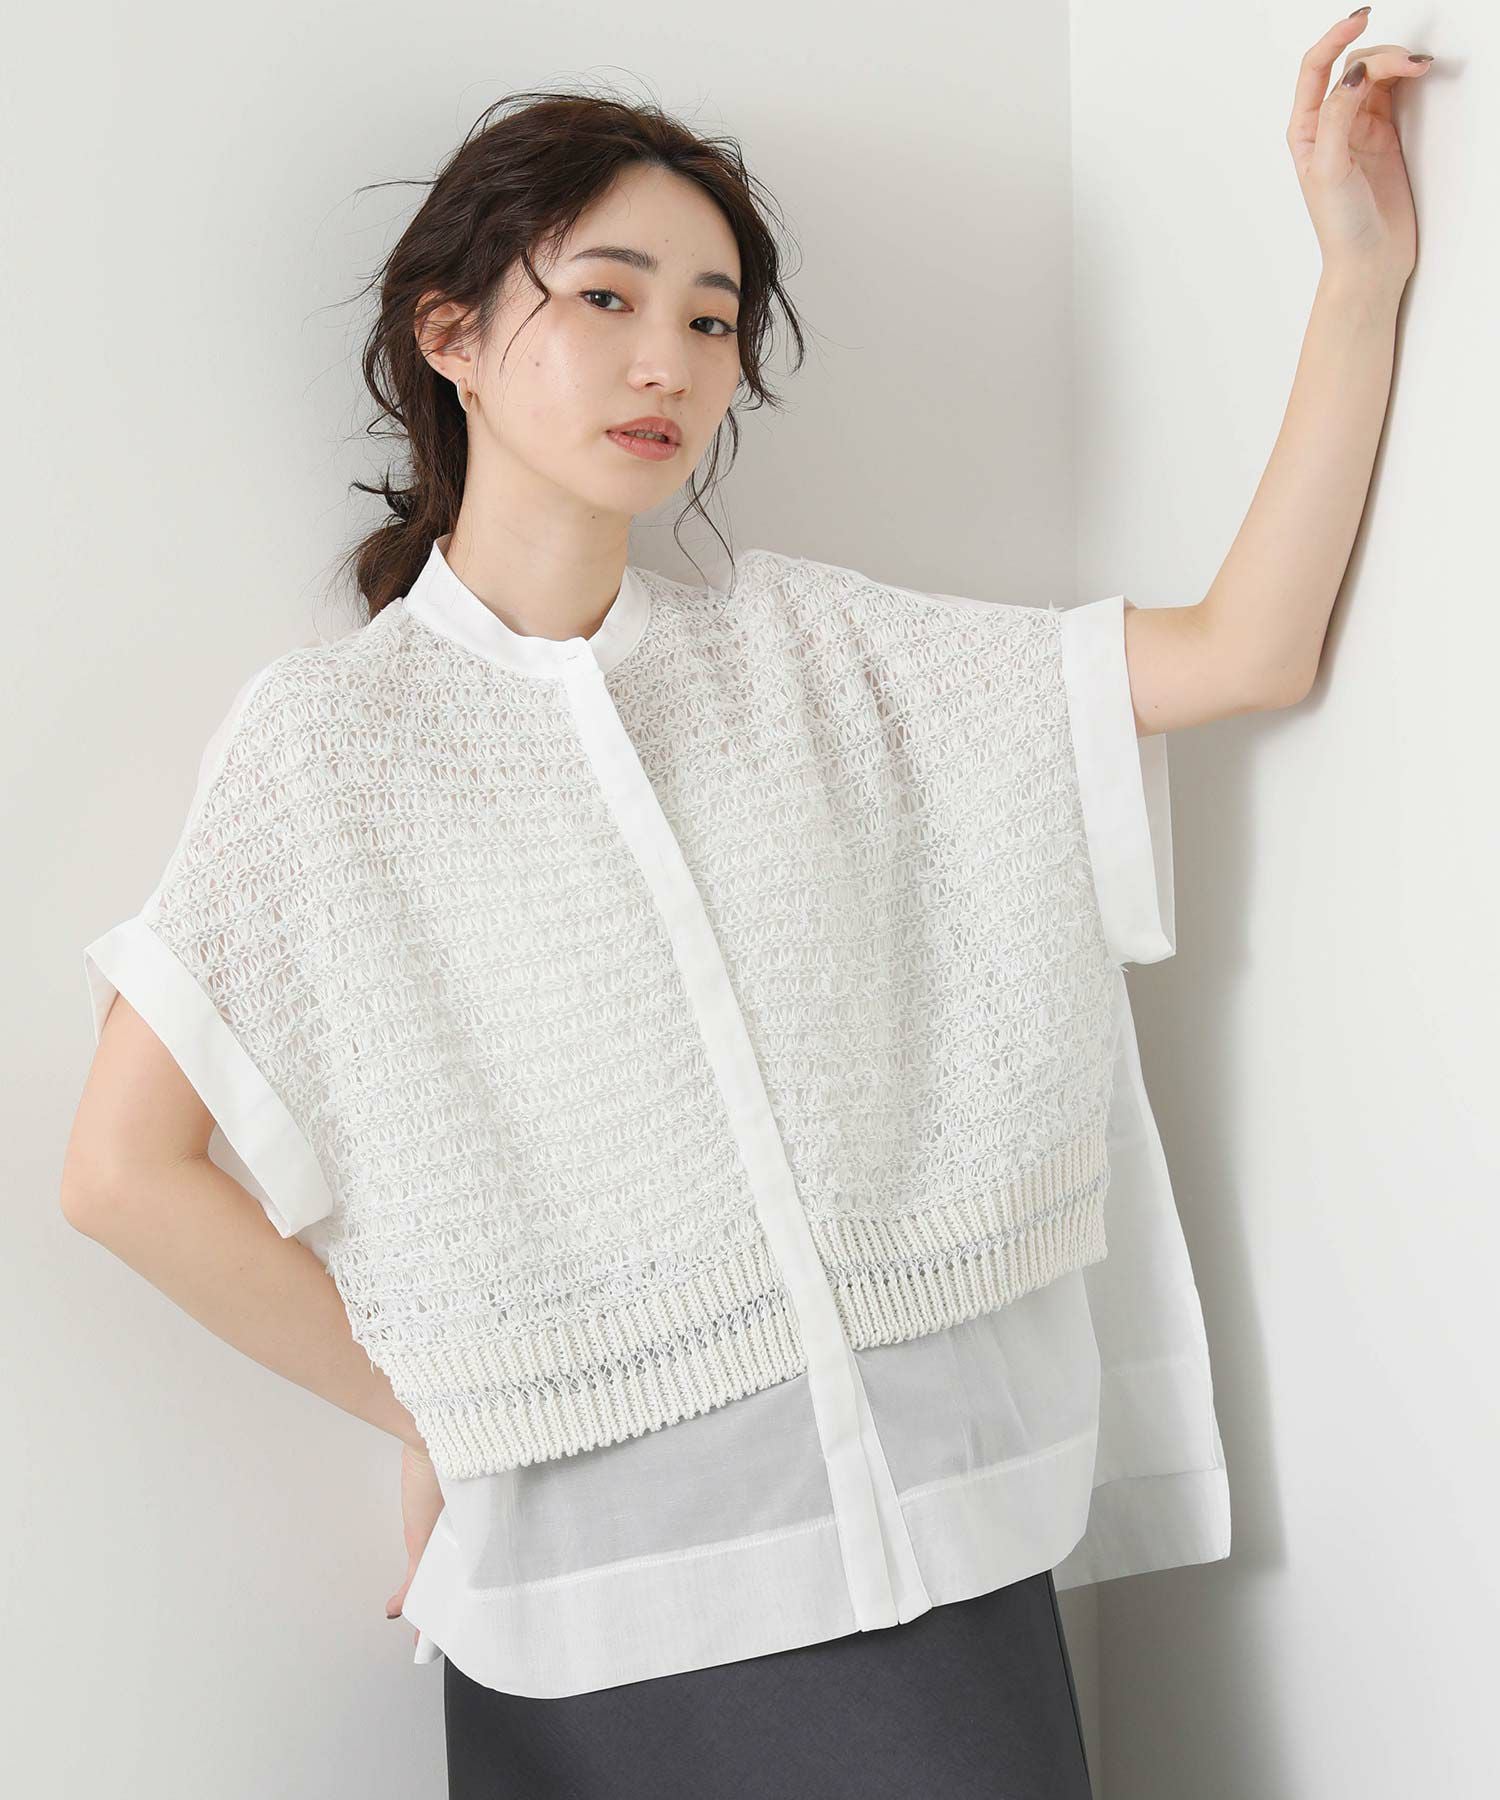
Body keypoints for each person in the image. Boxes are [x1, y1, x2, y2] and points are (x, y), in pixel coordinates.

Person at [62, 15, 1430, 1796]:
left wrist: (1360, 275)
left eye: (713, 321)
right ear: (450, 335)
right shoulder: (333, 746)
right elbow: (121, 1173)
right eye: (608, 298)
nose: (672, 360)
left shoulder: (819, 658)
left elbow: (1245, 649)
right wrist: (454, 1400)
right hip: (597, 1617)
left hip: (931, 1565)